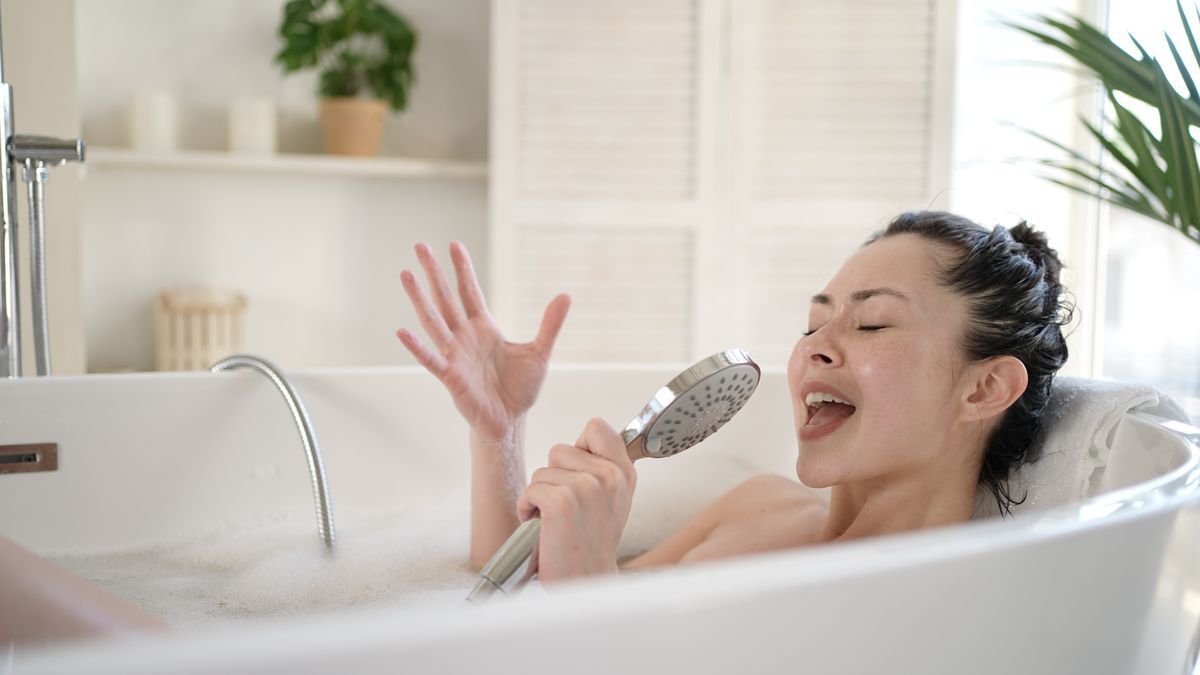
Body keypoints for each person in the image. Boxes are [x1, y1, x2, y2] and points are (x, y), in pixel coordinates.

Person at [395, 210, 1072, 583]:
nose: (815, 346)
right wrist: (500, 432)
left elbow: (575, 611)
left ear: (984, 387)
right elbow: (497, 598)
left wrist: (588, 595)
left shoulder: (930, 607)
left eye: (871, 322)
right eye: (813, 322)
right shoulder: (759, 507)